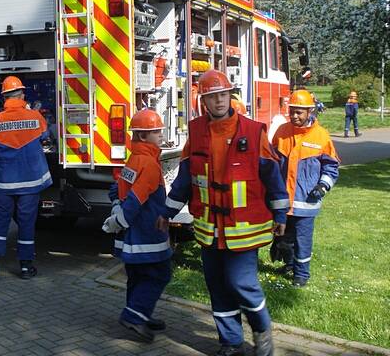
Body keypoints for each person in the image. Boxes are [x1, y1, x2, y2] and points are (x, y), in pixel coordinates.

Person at [164, 70, 290, 356]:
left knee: (242, 283)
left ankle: (262, 331)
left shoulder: (253, 131)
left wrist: (281, 216)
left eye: (222, 94)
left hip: (244, 230)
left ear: (230, 96)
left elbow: (273, 179)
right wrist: (165, 213)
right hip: (210, 231)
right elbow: (184, 181)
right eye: (212, 96)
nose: (219, 101)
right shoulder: (195, 133)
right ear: (203, 101)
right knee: (217, 288)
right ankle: (231, 343)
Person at [102, 109, 173, 343]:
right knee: (159, 274)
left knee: (137, 276)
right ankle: (134, 315)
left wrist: (115, 212)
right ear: (143, 136)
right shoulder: (150, 164)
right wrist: (119, 219)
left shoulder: (135, 158)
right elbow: (136, 200)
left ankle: (141, 313)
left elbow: (117, 188)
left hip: (132, 235)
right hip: (146, 234)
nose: (160, 135)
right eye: (156, 132)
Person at [0, 75, 51, 280]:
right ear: (22, 94)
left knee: (0, 222)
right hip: (30, 182)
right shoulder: (36, 117)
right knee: (26, 222)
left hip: (4, 182)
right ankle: (25, 266)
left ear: (4, 96)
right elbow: (46, 139)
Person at [271, 90, 339, 287]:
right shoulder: (282, 132)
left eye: (299, 112)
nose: (294, 116)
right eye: (292, 111)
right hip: (283, 202)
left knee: (302, 241)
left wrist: (322, 187)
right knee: (283, 237)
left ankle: (301, 274)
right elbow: (272, 164)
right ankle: (289, 264)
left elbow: (331, 167)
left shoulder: (321, 136)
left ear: (310, 111)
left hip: (306, 202)